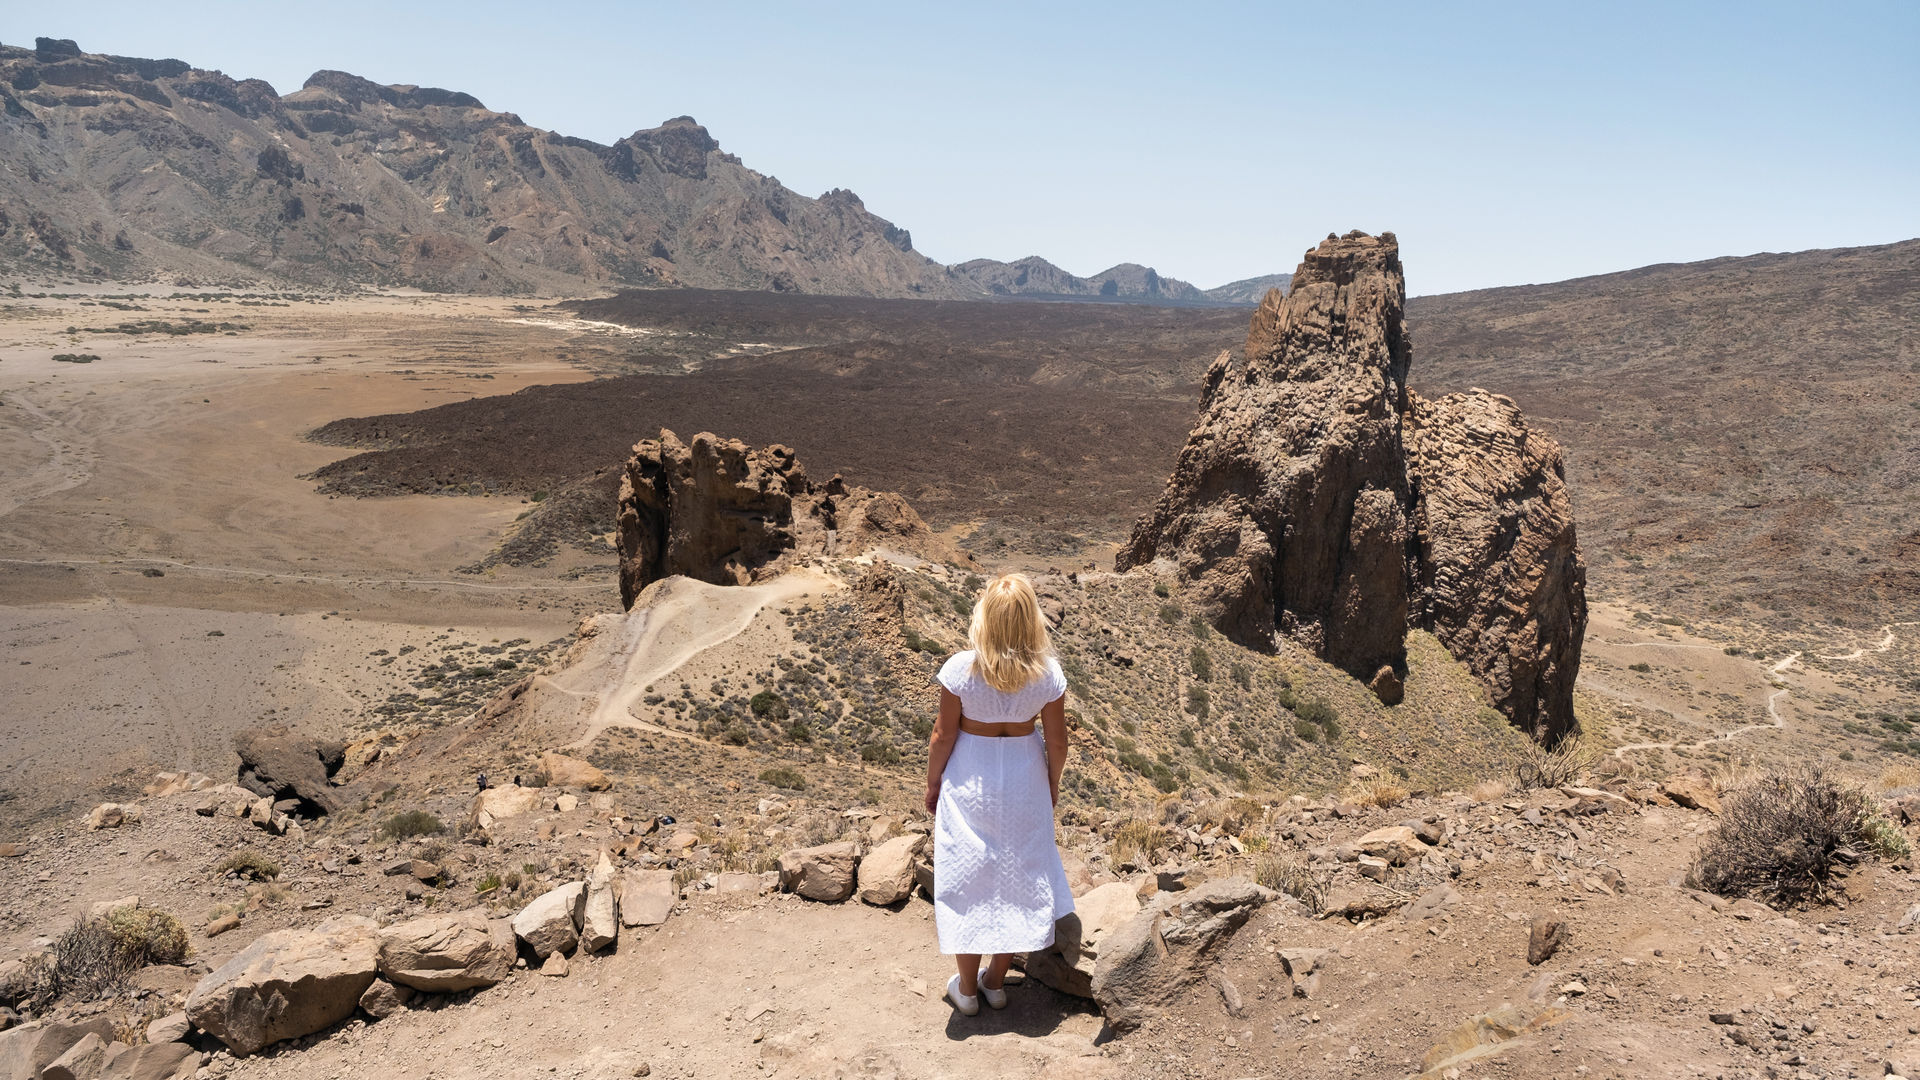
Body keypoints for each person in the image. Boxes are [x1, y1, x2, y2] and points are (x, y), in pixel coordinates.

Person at [925, 572, 1074, 1016]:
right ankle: (996, 982)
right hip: (1025, 774)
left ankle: (966, 990)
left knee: (970, 877)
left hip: (971, 776)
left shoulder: (961, 670)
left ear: (985, 618)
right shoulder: (1047, 676)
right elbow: (1059, 741)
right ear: (1032, 621)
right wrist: (1051, 782)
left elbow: (941, 735)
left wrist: (933, 783)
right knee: (1020, 876)